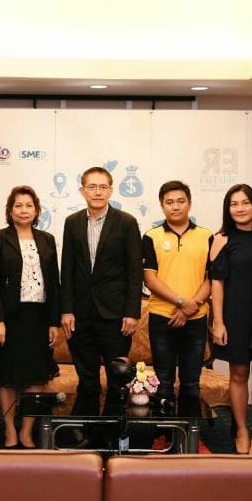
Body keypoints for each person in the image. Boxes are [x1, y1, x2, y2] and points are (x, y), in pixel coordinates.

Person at [0, 185, 60, 448]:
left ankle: (26, 431)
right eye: (18, 205)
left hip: (38, 318)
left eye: (29, 205)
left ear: (36, 210)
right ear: (10, 210)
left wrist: (53, 322)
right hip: (9, 318)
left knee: (35, 376)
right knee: (7, 376)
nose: (24, 210)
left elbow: (54, 283)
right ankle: (9, 430)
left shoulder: (47, 240)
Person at [60, 166, 143, 417]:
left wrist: (132, 312)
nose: (97, 192)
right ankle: (86, 431)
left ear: (111, 190)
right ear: (82, 190)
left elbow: (134, 272)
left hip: (115, 316)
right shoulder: (72, 222)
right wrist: (67, 310)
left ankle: (111, 431)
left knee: (117, 380)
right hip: (81, 315)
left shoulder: (126, 222)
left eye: (103, 187)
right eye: (92, 187)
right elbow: (67, 269)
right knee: (87, 380)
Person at [142, 180, 211, 417]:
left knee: (191, 384)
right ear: (162, 206)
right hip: (163, 317)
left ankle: (189, 435)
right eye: (169, 202)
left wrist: (192, 306)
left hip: (196, 318)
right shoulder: (151, 236)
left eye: (181, 201)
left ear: (189, 204)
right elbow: (150, 279)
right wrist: (182, 302)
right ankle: (164, 433)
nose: (175, 206)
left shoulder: (206, 236)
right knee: (163, 383)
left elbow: (211, 278)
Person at [209, 183, 252, 455]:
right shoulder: (221, 238)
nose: (240, 208)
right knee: (239, 373)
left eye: (245, 202)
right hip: (235, 314)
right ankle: (242, 430)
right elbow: (217, 282)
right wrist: (218, 321)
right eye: (234, 204)